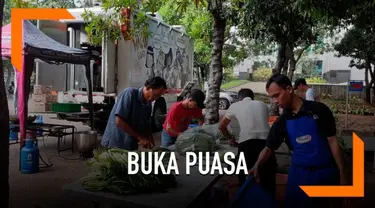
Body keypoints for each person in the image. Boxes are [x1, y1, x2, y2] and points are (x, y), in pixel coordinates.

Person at [248, 74, 348, 208]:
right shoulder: (283, 120)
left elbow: (333, 141)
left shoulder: (319, 110)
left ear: (289, 89)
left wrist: (342, 174)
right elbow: (269, 148)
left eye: (276, 95)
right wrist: (256, 166)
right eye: (271, 97)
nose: (274, 101)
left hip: (325, 173)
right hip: (299, 176)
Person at [218, 88, 276, 199]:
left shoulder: (236, 105)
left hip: (247, 143)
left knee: (244, 176)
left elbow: (221, 126)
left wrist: (230, 138)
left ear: (239, 98)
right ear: (252, 97)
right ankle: (269, 201)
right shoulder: (263, 104)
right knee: (267, 176)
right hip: (267, 144)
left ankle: (245, 199)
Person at [101, 76, 167, 150]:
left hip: (130, 144)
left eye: (159, 96)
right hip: (115, 143)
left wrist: (149, 139)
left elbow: (147, 125)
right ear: (148, 88)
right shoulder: (129, 93)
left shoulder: (148, 104)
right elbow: (119, 121)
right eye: (156, 95)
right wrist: (140, 137)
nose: (156, 98)